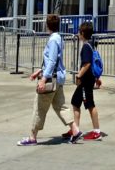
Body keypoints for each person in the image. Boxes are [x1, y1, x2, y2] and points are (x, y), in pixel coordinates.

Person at [18, 14, 79, 145]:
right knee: (60, 106)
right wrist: (39, 71)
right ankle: (75, 130)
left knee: (39, 107)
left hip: (51, 79)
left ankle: (32, 137)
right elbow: (53, 61)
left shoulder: (52, 40)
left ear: (47, 25)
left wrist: (43, 79)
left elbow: (51, 61)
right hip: (58, 78)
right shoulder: (58, 38)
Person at [69, 21, 103, 140]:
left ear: (82, 33)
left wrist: (78, 76)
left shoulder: (85, 47)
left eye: (79, 32)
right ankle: (75, 129)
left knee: (90, 104)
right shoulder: (91, 45)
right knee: (75, 102)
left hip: (86, 81)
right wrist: (97, 78)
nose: (78, 34)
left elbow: (87, 64)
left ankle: (96, 131)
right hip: (89, 79)